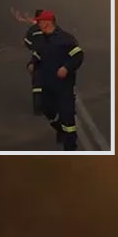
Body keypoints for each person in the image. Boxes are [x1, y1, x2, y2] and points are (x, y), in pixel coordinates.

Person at [31, 10, 84, 151]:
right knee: (47, 110)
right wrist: (31, 64)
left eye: (40, 21)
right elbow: (38, 55)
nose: (39, 24)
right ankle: (60, 128)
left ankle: (71, 148)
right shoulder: (43, 40)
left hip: (64, 87)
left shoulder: (65, 39)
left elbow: (78, 55)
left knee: (68, 118)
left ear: (48, 22)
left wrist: (66, 68)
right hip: (48, 85)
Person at [23, 10, 46, 116]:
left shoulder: (33, 30)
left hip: (37, 59)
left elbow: (27, 42)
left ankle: (38, 109)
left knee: (37, 86)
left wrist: (34, 47)